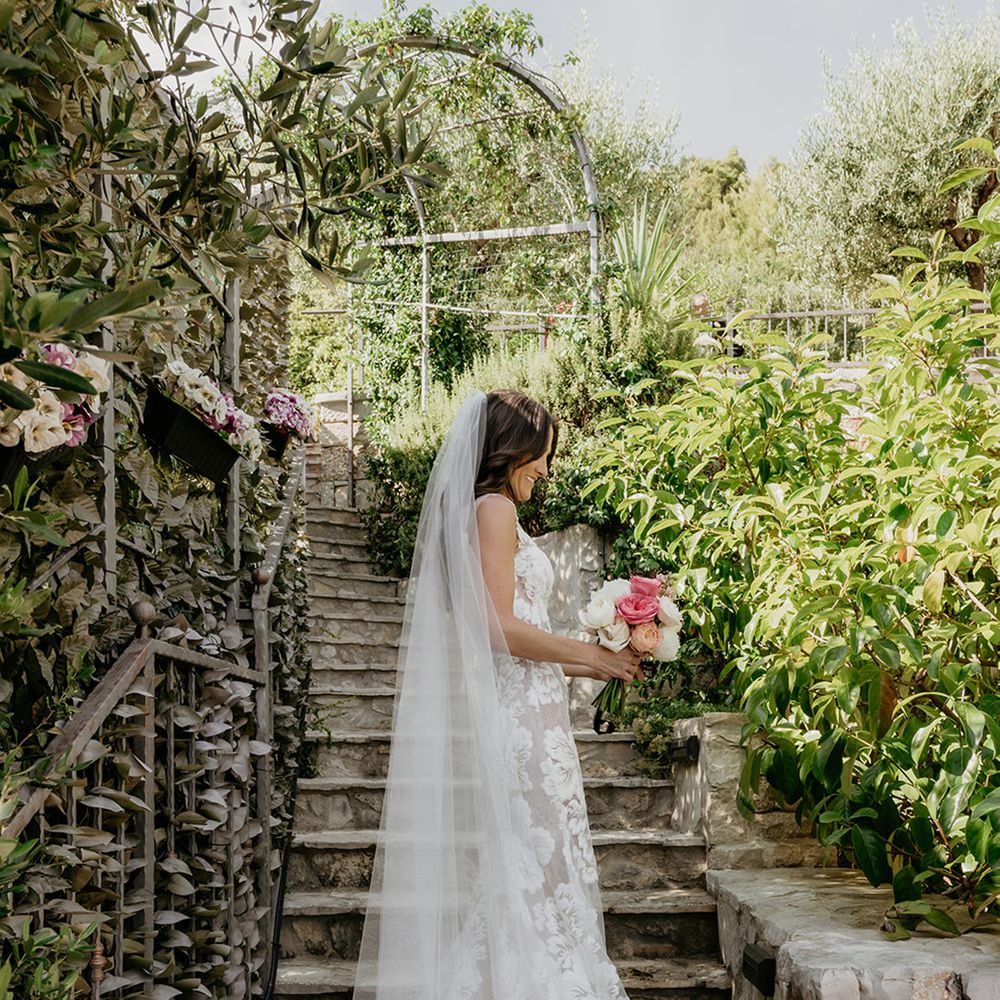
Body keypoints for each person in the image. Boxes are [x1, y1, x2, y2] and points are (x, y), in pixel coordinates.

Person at [354, 389, 642, 1000]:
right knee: (539, 862)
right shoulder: (494, 509)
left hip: (533, 710)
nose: (545, 467)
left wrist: (598, 660)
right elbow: (496, 629)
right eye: (540, 454)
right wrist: (591, 656)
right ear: (512, 449)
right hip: (522, 723)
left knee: (537, 865)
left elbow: (517, 632)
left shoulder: (490, 511)